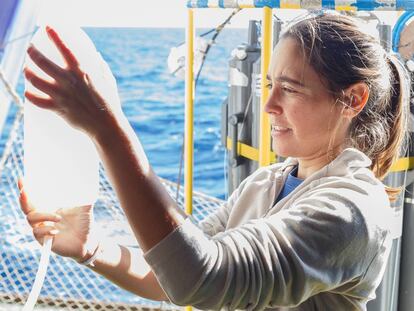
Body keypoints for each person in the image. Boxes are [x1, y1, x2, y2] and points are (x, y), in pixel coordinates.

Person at [19, 12, 409, 310]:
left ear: (353, 99)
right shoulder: (266, 181)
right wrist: (91, 248)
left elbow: (201, 276)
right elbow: (168, 275)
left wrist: (107, 128)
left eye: (290, 89)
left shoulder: (353, 210)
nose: (268, 105)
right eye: (269, 85)